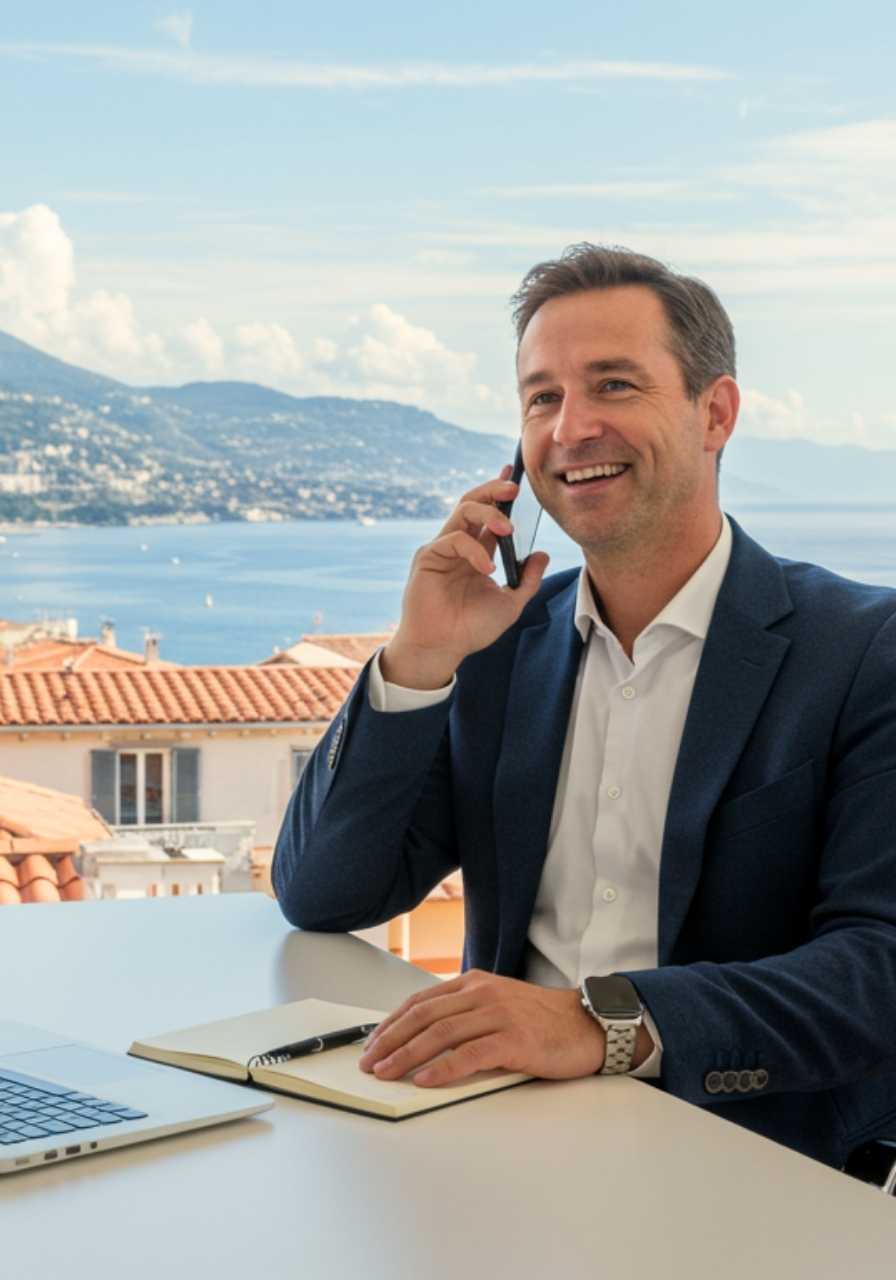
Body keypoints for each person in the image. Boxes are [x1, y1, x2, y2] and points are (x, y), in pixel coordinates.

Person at [272, 244, 896, 1169]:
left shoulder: (862, 650)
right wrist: (417, 659)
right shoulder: (499, 652)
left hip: (750, 1160)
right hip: (491, 1146)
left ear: (714, 412)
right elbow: (326, 892)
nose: (571, 428)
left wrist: (602, 1024)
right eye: (541, 398)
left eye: (613, 385)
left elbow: (877, 971)